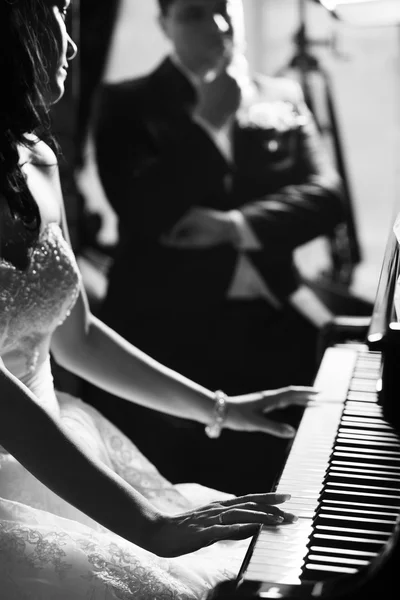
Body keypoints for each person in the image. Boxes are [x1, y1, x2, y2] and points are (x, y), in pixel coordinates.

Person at [0, 1, 319, 597]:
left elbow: (79, 336)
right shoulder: (127, 105)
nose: (72, 43)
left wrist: (221, 407)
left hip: (61, 455)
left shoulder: (39, 159)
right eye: (56, 13)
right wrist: (147, 524)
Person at [89, 0, 345, 494]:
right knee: (177, 489)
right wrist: (205, 125)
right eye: (194, 13)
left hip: (271, 324)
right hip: (166, 334)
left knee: (275, 480)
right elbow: (142, 210)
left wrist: (235, 226)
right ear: (163, 23)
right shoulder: (125, 101)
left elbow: (328, 196)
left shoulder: (281, 94)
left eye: (224, 9)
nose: (218, 24)